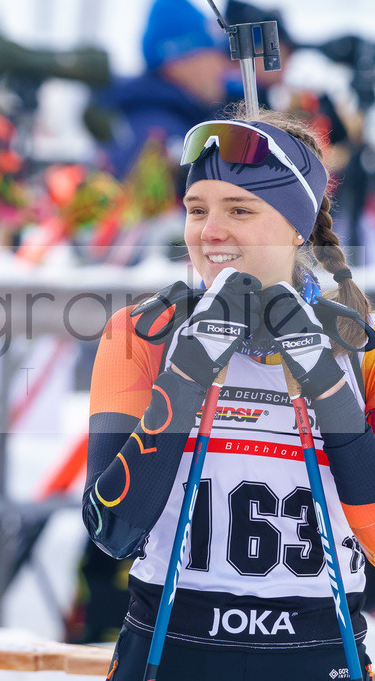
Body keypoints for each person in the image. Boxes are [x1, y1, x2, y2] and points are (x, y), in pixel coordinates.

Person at [84, 107, 375, 679]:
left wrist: (329, 387)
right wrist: (187, 374)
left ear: (297, 225)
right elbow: (113, 529)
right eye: (197, 210)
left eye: (239, 209)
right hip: (169, 649)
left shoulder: (357, 348)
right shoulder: (140, 335)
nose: (209, 231)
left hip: (316, 652)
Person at [85, 0, 228, 181]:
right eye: (211, 55)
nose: (221, 67)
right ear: (178, 60)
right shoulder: (159, 134)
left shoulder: (174, 118)